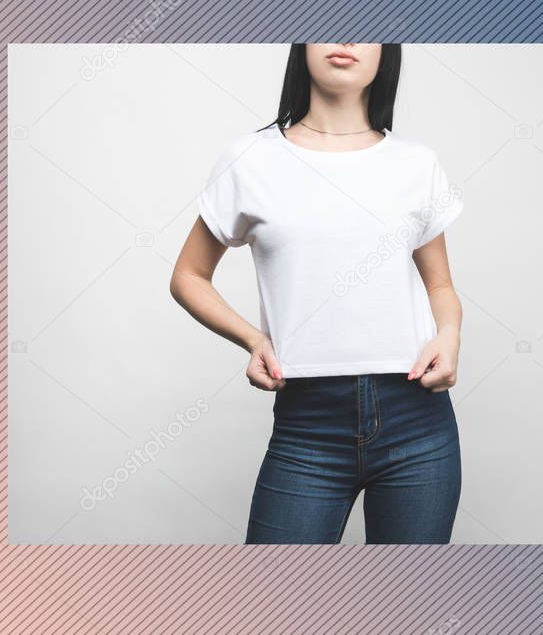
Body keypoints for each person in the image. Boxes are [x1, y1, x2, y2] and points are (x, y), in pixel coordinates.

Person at [170, 43, 464, 543]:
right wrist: (252, 339)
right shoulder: (250, 159)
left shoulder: (416, 163)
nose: (345, 40)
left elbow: (439, 284)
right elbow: (188, 276)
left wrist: (451, 334)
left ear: (385, 54)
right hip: (307, 426)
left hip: (419, 424)